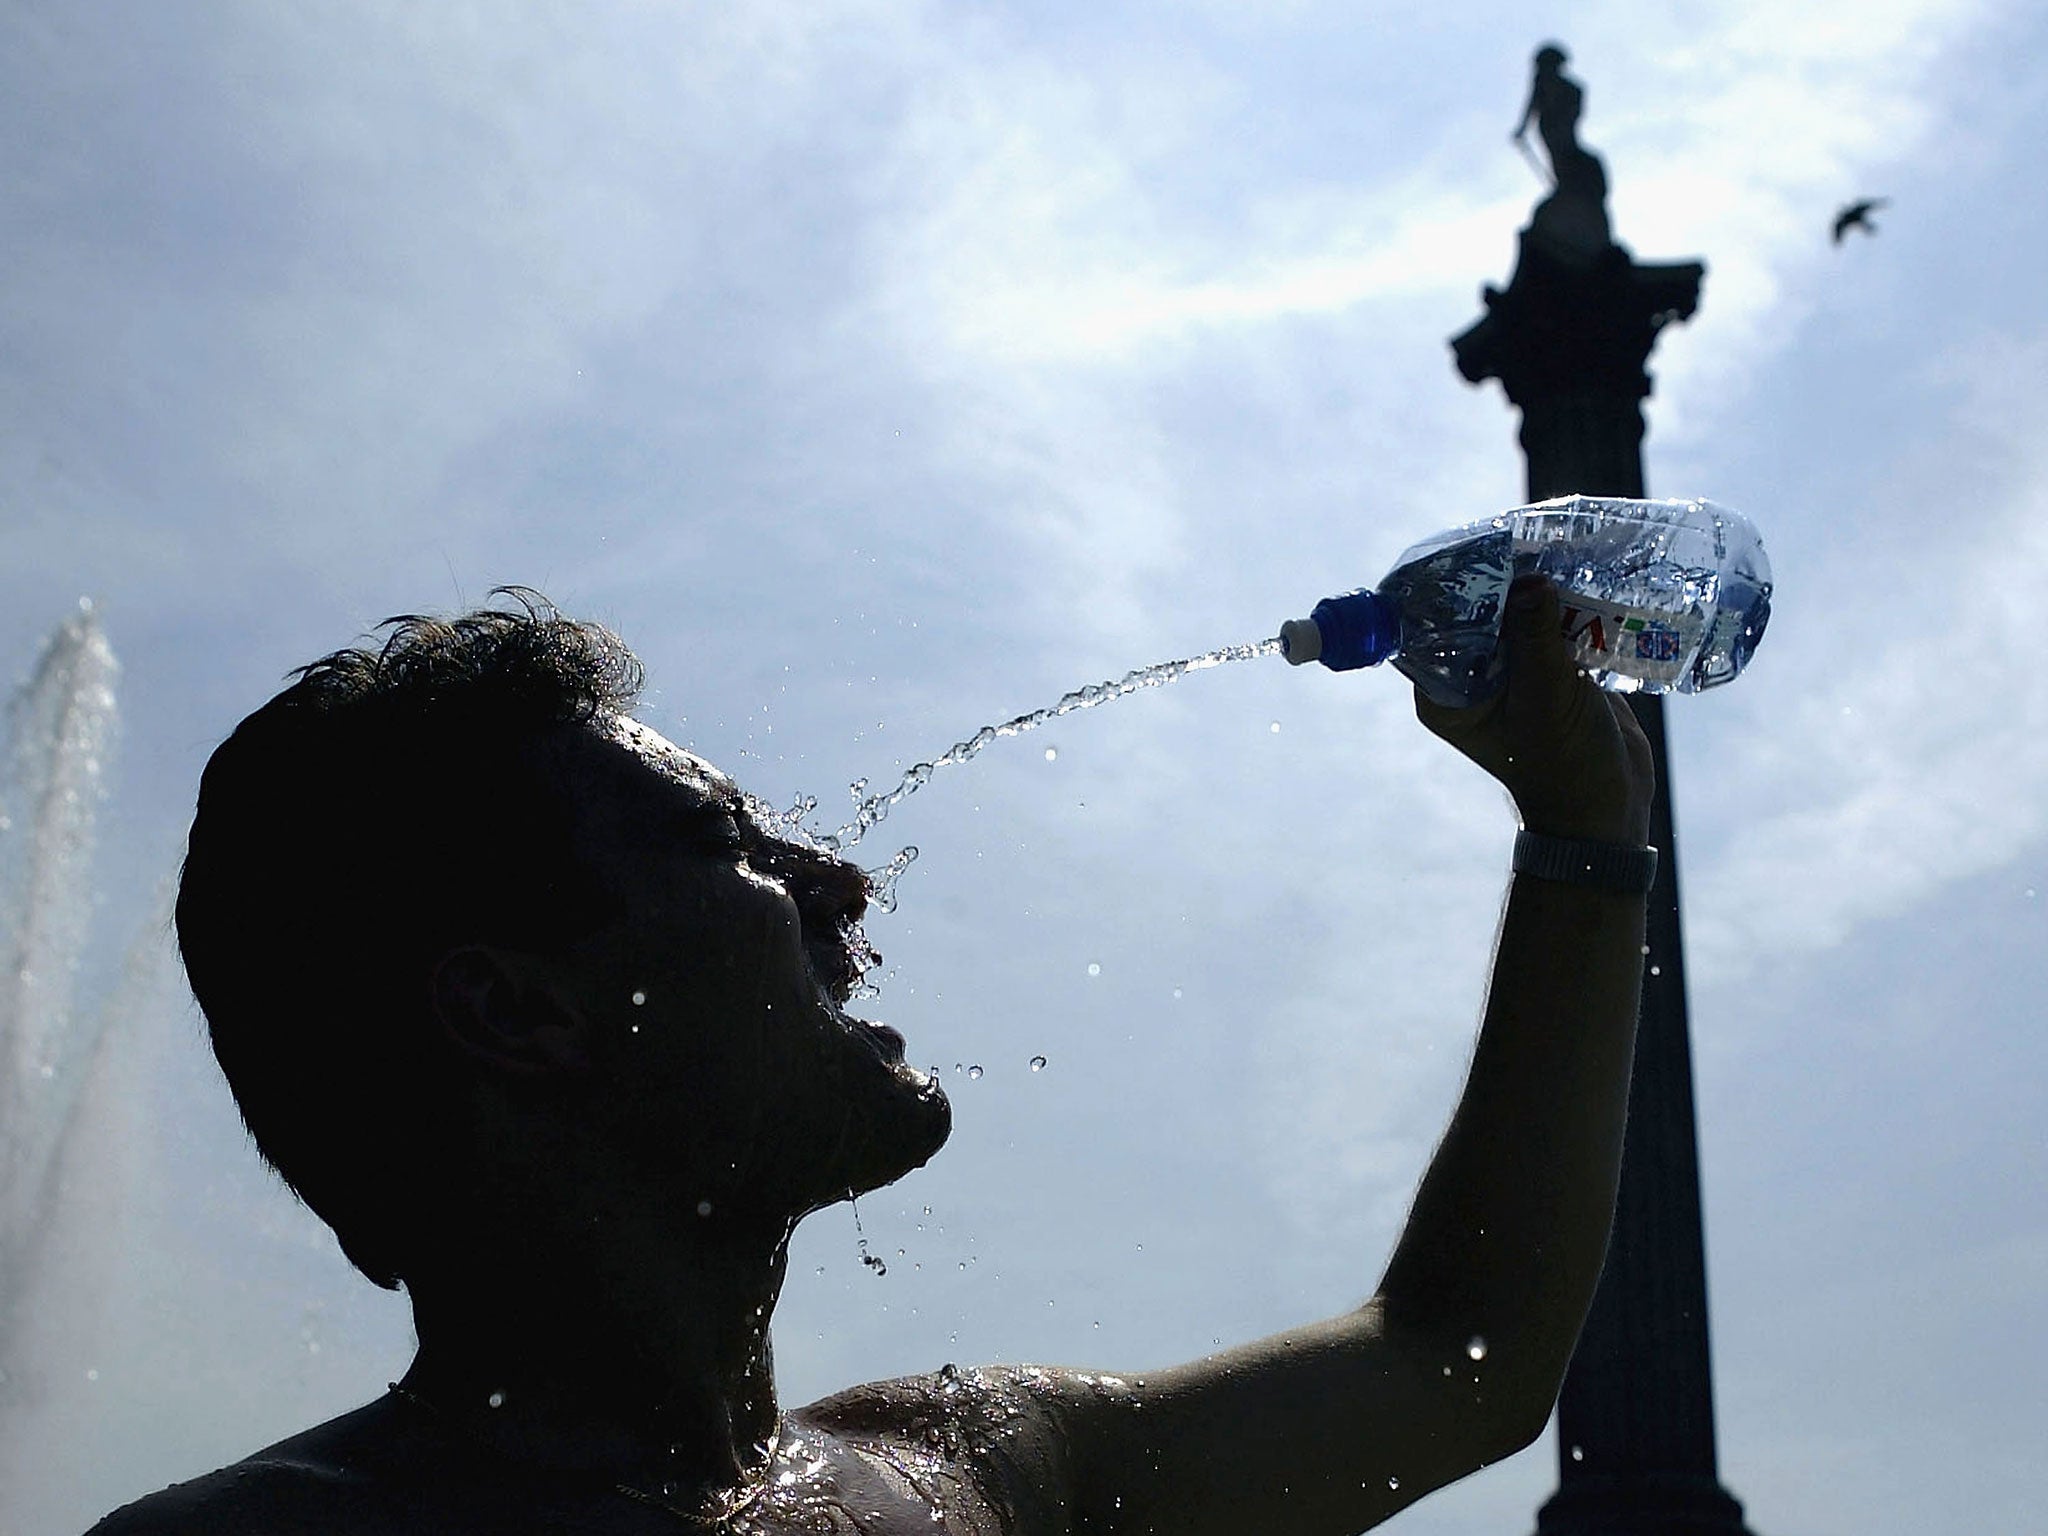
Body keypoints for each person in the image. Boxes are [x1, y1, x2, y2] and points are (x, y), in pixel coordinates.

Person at [91, 576, 1654, 1535]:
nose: (837, 880)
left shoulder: (976, 1467)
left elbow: (1463, 1353)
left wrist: (1587, 842)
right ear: (521, 1012)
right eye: (727, 843)